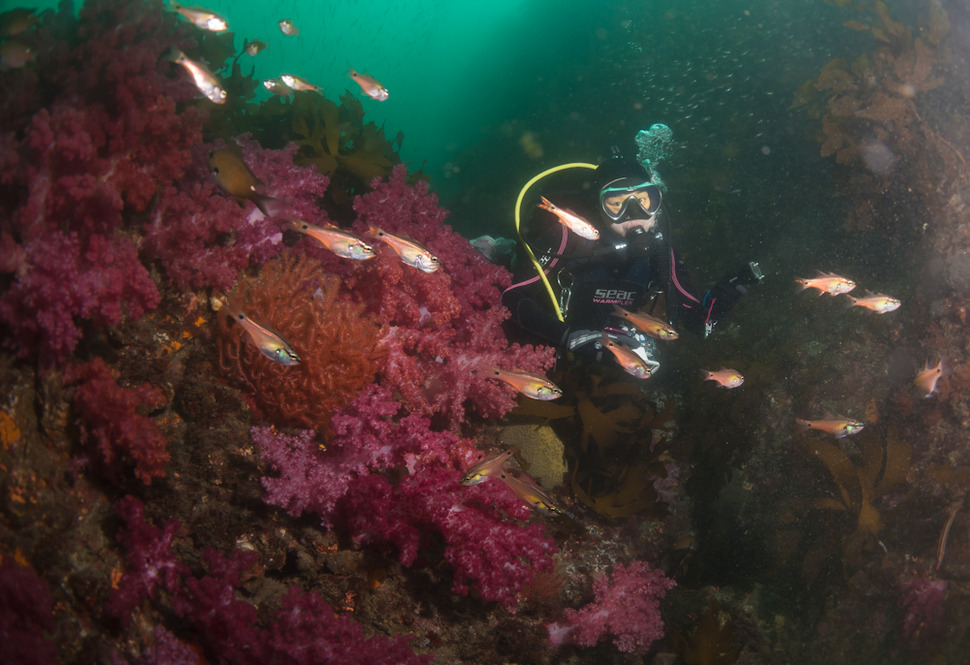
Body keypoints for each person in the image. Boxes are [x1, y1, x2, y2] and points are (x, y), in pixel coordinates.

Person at [501, 151, 763, 377]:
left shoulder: (662, 252)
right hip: (552, 342)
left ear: (656, 204)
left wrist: (730, 290)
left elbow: (696, 322)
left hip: (612, 356)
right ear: (599, 207)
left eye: (644, 200)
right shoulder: (567, 237)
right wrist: (568, 336)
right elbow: (512, 296)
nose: (634, 213)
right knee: (501, 258)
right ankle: (499, 247)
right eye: (616, 204)